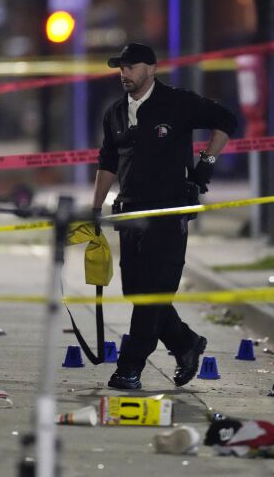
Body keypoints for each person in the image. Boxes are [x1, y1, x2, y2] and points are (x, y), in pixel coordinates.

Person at [92, 43, 237, 390]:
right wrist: (95, 209)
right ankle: (185, 342)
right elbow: (107, 162)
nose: (123, 73)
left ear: (152, 69)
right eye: (120, 68)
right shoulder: (114, 112)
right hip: (130, 215)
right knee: (138, 293)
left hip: (169, 215)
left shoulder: (177, 103)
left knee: (152, 296)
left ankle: (129, 368)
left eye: (131, 67)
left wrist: (207, 164)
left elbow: (226, 121)